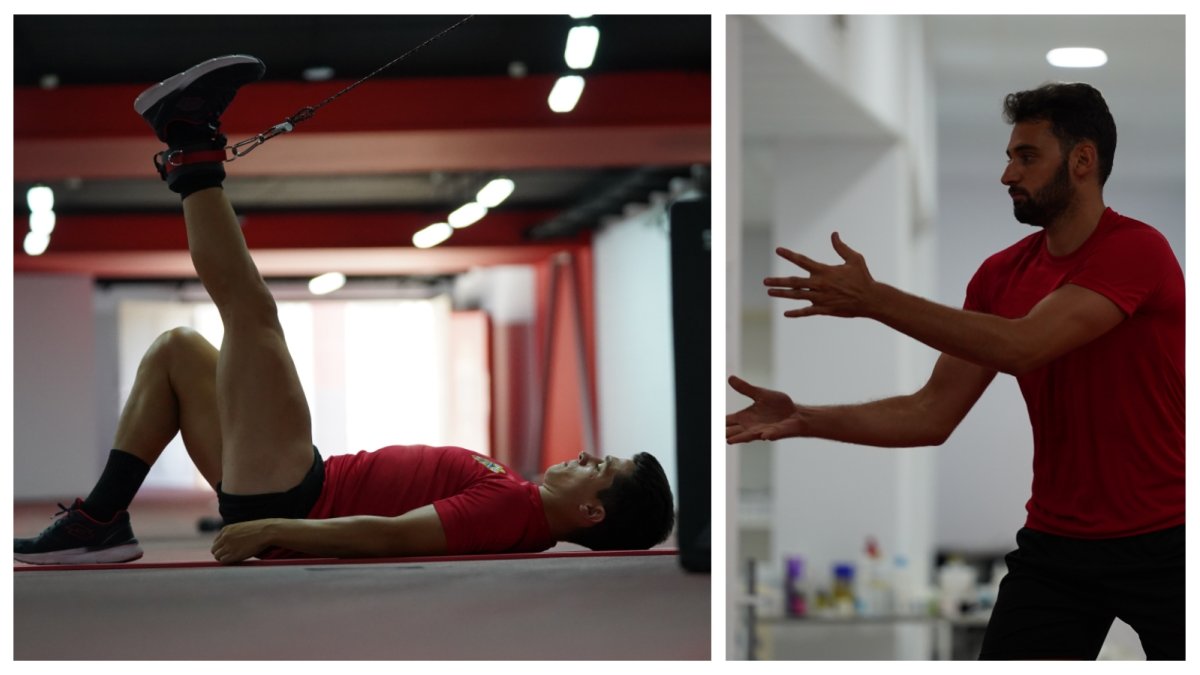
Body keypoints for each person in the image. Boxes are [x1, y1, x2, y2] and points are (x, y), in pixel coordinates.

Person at [15, 55, 675, 566]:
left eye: (600, 466)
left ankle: (190, 142)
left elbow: (393, 537)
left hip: (294, 493)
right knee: (176, 349)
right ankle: (102, 519)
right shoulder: (519, 502)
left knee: (251, 314)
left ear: (590, 512)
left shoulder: (512, 513)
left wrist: (273, 528)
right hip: (298, 478)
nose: (587, 454)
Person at [727, 82, 1183, 660]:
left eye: (1026, 156)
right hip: (1057, 546)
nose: (1007, 175)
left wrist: (876, 300)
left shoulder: (1138, 250)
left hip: (1172, 538)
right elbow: (931, 413)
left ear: (1083, 160)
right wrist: (805, 417)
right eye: (1008, 156)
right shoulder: (999, 277)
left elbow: (1026, 345)